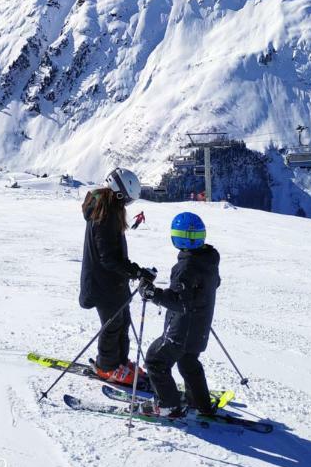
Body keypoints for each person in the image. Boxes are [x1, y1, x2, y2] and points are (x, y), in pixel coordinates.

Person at [139, 211, 220, 418]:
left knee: (156, 361)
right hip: (199, 328)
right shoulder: (209, 259)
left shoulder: (186, 267)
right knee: (188, 362)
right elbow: (211, 284)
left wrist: (152, 293)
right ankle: (200, 403)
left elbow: (179, 302)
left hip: (181, 330)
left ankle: (168, 405)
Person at [79, 167, 154, 385]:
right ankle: (106, 367)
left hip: (113, 282)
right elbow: (108, 258)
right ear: (118, 193)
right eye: (127, 200)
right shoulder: (103, 215)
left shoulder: (109, 210)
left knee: (123, 322)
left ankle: (120, 361)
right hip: (102, 284)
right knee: (112, 325)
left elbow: (113, 255)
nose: (127, 206)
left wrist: (135, 271)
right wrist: (135, 271)